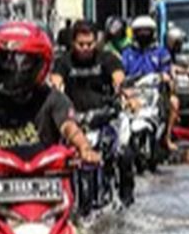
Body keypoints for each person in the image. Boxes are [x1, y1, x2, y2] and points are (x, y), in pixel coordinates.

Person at [0, 21, 101, 170]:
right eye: (5, 59)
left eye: (24, 62)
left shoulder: (53, 99)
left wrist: (84, 148)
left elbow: (70, 127)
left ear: (41, 64)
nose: (13, 69)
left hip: (48, 178)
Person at [50, 19, 132, 206]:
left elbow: (119, 78)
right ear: (73, 43)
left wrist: (125, 92)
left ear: (97, 42)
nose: (85, 48)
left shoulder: (107, 58)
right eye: (81, 44)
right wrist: (53, 91)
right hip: (74, 121)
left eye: (90, 44)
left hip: (104, 118)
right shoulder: (64, 62)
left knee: (124, 154)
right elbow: (55, 83)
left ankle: (126, 199)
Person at [120, 16, 179, 152]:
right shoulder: (127, 53)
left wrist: (166, 78)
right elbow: (121, 72)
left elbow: (166, 70)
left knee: (174, 103)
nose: (143, 35)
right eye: (140, 31)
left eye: (147, 31)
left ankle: (167, 138)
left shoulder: (160, 52)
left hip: (155, 92)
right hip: (133, 92)